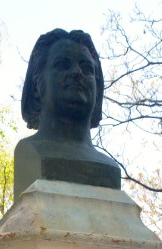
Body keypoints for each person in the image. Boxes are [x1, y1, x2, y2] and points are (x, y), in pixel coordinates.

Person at [14, 29, 120, 198]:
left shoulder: (109, 166)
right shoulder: (30, 153)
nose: (77, 72)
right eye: (63, 64)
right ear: (36, 86)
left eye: (87, 68)